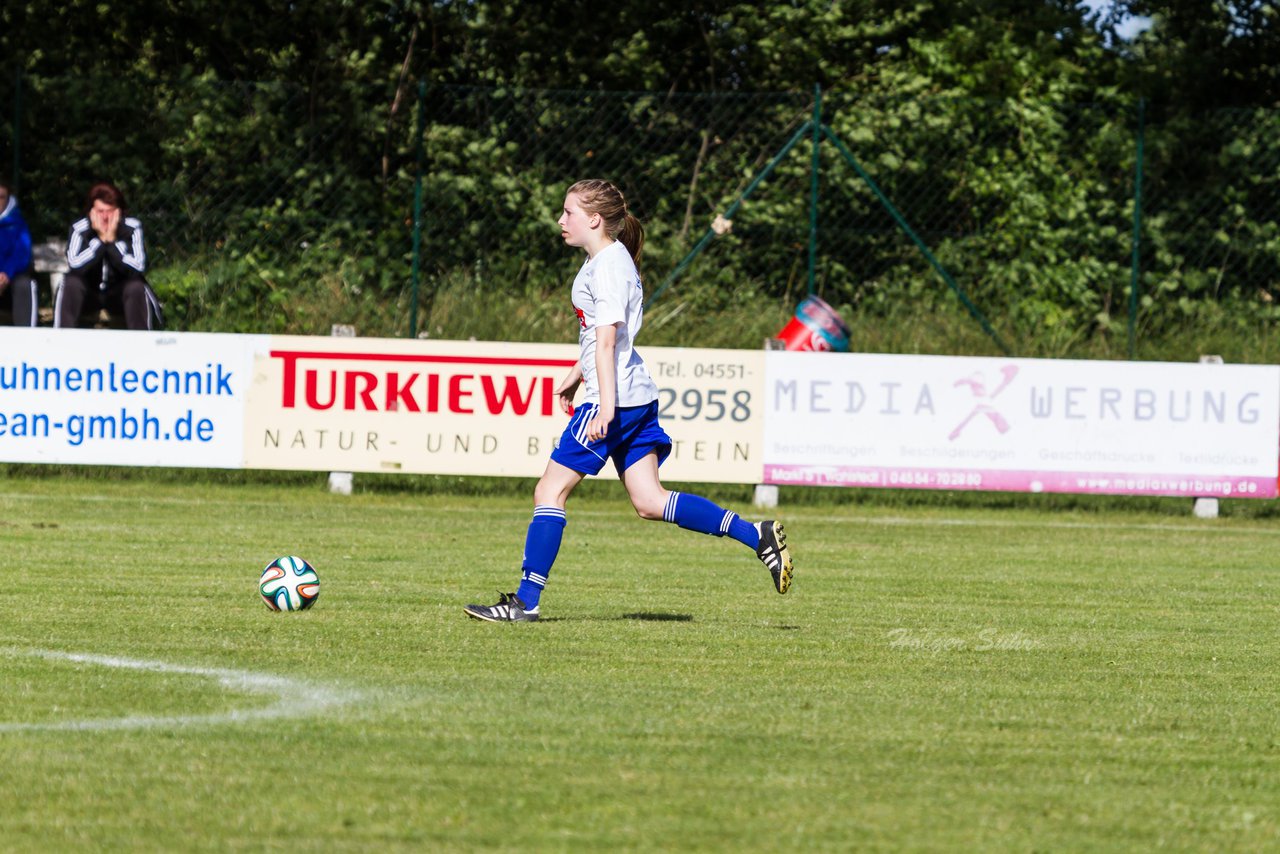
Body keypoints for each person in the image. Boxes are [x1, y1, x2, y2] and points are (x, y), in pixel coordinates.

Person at [464, 179, 794, 622]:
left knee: (549, 490)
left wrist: (601, 405)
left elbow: (606, 344)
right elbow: (601, 341)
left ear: (594, 219)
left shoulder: (607, 268)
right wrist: (573, 377)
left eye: (569, 213)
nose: (561, 221)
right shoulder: (604, 261)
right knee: (650, 501)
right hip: (631, 395)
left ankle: (526, 602)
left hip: (613, 399)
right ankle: (757, 535)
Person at [56, 181, 163, 330]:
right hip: (89, 294)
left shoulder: (132, 228)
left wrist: (112, 241)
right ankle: (62, 342)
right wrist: (100, 241)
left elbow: (138, 267)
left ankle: (141, 344)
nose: (105, 217)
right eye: (100, 211)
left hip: (119, 295)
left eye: (110, 211)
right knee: (71, 283)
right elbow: (75, 265)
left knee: (136, 286)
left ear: (119, 211)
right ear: (91, 211)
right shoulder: (79, 228)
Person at [0, 180, 37, 326]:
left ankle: (26, 344)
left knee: (24, 285)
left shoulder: (18, 224)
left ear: (8, 199)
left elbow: (21, 254)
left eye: (1, 197)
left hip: (10, 283)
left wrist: (6, 274)